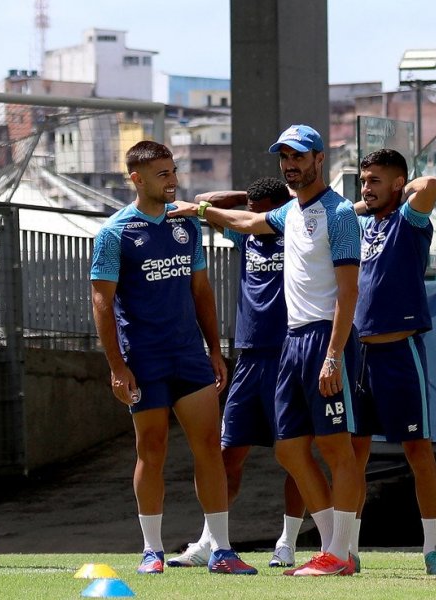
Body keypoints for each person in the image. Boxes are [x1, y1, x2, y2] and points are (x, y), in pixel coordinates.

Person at [170, 124, 363, 577]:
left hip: (323, 339)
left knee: (338, 449)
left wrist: (334, 353)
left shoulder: (338, 214)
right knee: (290, 450)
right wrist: (197, 209)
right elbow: (248, 221)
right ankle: (337, 550)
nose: (291, 164)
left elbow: (349, 292)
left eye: (299, 155)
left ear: (319, 159)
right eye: (284, 157)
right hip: (292, 341)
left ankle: (339, 551)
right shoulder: (290, 212)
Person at [90, 140, 257, 575]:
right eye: (162, 173)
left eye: (173, 170)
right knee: (153, 451)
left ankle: (220, 549)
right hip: (144, 360)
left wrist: (215, 350)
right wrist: (116, 366)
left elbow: (201, 291)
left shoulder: (186, 226)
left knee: (209, 448)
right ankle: (152, 550)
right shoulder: (115, 232)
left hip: (190, 357)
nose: (173, 180)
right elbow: (102, 303)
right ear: (136, 179)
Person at [165, 177, 308, 570]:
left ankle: (288, 543)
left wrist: (280, 204)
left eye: (264, 211)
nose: (253, 216)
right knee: (227, 455)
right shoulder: (247, 236)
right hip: (249, 356)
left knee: (295, 455)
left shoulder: (299, 230)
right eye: (252, 211)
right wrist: (251, 200)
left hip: (289, 353)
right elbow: (203, 201)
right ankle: (210, 540)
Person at [349, 149, 436, 576]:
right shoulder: (360, 224)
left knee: (418, 451)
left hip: (400, 354)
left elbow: (430, 185)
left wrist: (396, 191)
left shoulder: (408, 221)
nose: (365, 188)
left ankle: (432, 550)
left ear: (396, 182)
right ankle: (347, 550)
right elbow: (339, 211)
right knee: (353, 455)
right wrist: (367, 202)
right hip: (359, 355)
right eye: (362, 181)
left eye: (374, 180)